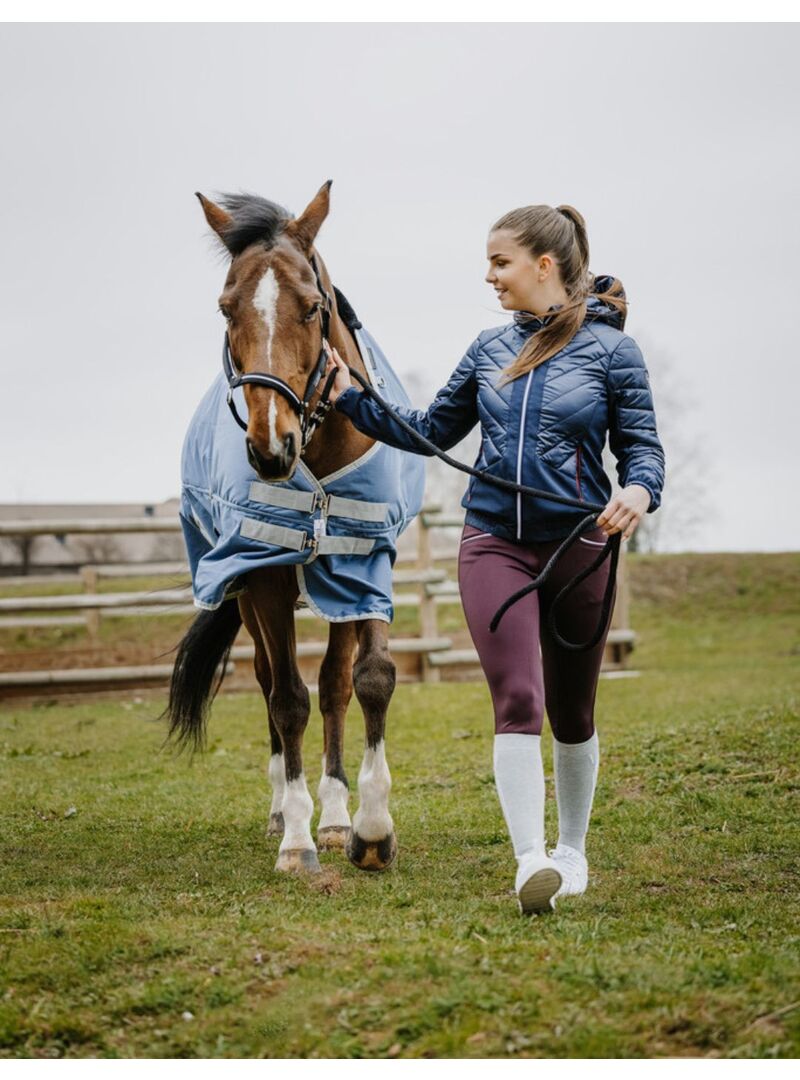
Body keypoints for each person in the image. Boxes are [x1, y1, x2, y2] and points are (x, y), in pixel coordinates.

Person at [324, 204, 665, 915]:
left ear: (546, 264)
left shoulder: (612, 353)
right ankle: (529, 861)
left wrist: (637, 488)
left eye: (500, 262)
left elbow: (643, 450)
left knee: (573, 708)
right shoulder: (487, 349)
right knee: (518, 699)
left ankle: (572, 851)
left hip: (581, 543)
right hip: (493, 542)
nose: (490, 277)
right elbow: (427, 432)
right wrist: (349, 398)